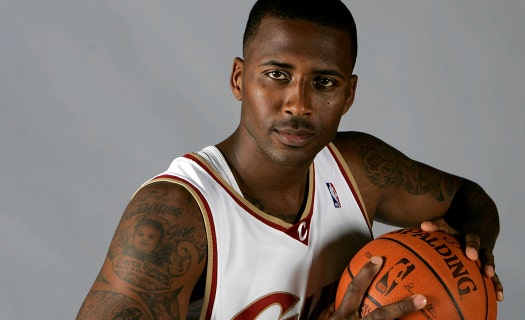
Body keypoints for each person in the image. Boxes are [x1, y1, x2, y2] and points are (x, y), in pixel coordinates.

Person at [76, 0, 503, 319]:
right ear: (239, 79)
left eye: (323, 82)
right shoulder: (178, 215)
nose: (297, 104)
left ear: (349, 95)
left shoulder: (359, 167)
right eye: (277, 75)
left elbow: (469, 199)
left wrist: (474, 242)